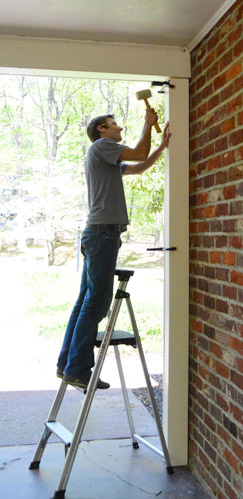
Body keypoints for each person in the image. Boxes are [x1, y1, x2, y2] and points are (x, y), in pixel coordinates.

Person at [56, 109, 171, 389]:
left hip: (99, 235)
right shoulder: (102, 147)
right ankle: (79, 370)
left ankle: (67, 365)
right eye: (113, 125)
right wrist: (148, 125)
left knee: (86, 300)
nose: (119, 129)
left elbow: (140, 166)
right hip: (102, 235)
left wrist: (162, 146)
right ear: (101, 131)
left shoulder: (105, 158)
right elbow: (139, 153)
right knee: (96, 302)